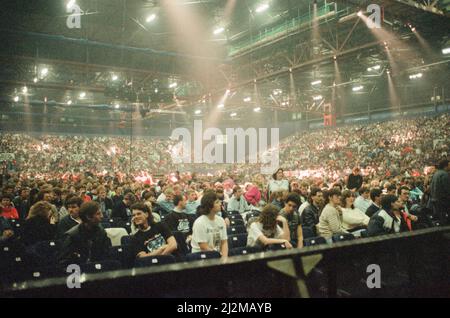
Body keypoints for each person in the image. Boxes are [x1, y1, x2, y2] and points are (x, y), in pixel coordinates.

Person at [191, 191, 228, 257]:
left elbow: (224, 242)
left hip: (216, 255)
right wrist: (218, 257)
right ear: (209, 206)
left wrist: (224, 258)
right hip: (201, 257)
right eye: (217, 202)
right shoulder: (199, 223)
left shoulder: (221, 220)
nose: (220, 204)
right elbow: (204, 247)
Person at [429, 159, 450, 225]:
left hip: (435, 200)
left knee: (441, 219)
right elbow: (447, 189)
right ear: (446, 165)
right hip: (443, 201)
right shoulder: (444, 174)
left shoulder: (436, 173)